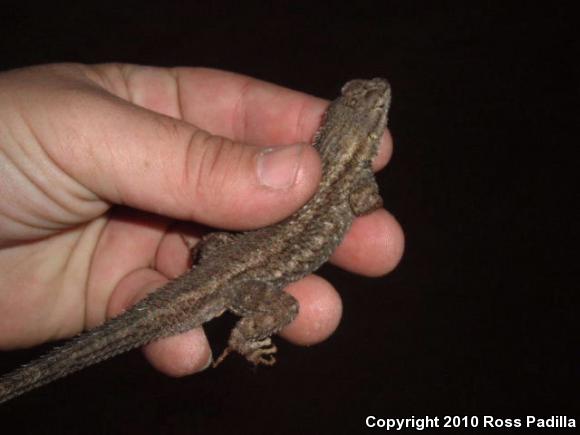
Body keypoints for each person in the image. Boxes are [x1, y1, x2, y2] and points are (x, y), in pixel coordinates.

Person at [0, 63, 404, 376]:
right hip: (238, 281)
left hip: (226, 262)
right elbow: (368, 206)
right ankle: (245, 337)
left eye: (376, 106)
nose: (377, 93)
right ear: (369, 137)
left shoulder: (312, 162)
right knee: (288, 311)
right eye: (375, 109)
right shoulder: (358, 180)